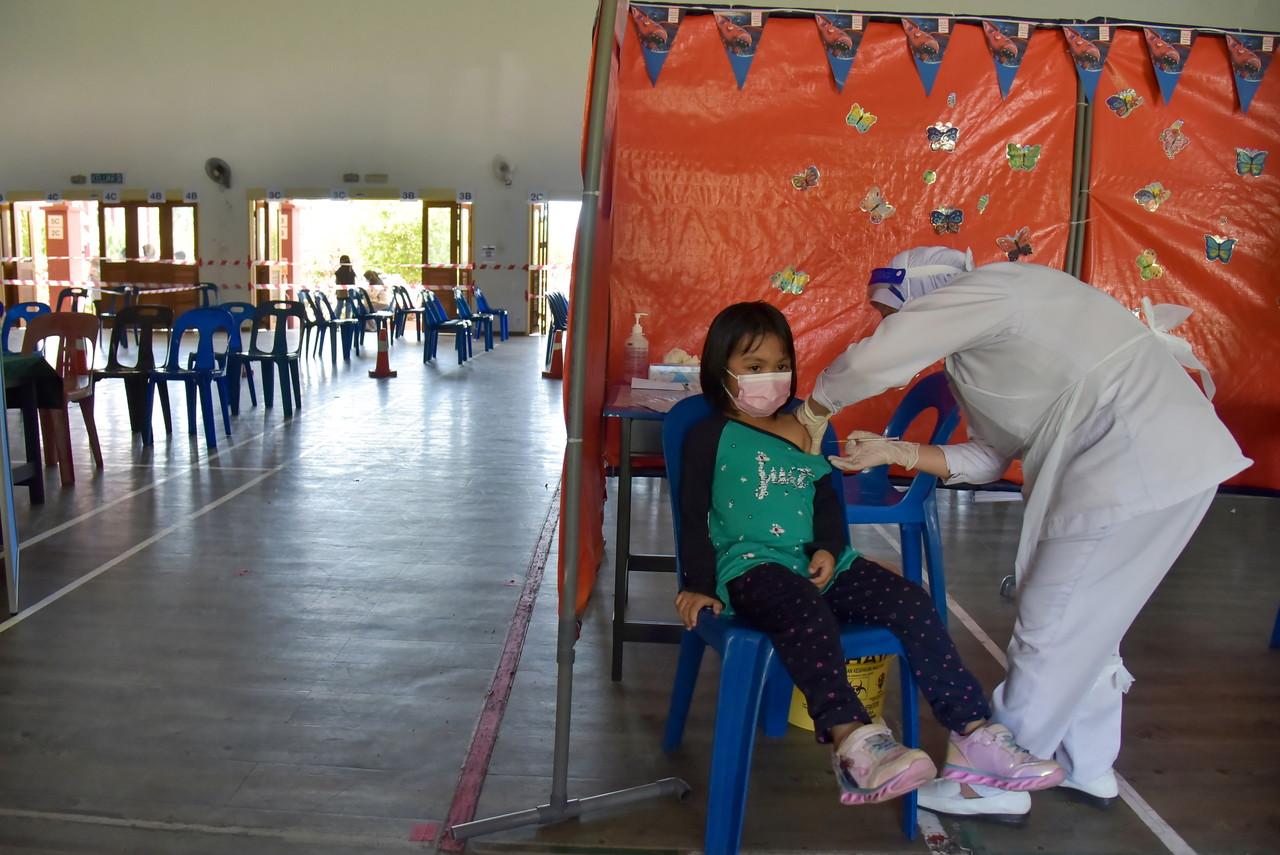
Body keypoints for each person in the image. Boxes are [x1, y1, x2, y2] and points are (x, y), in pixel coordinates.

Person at [796, 247, 1251, 819]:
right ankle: (1088, 765)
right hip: (1157, 462)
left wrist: (814, 408)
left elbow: (877, 359)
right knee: (1090, 622)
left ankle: (988, 784)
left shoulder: (997, 288)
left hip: (1136, 460)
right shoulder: (976, 352)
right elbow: (991, 455)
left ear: (926, 297)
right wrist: (899, 451)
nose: (893, 327)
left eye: (895, 313)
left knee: (1052, 622)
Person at [677, 302, 1064, 807]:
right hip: (754, 569)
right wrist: (698, 584)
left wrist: (830, 549)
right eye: (753, 368)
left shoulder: (803, 429)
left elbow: (824, 500)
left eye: (780, 365)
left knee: (912, 602)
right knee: (802, 609)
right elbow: (690, 513)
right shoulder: (709, 435)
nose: (770, 378)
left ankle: (971, 732)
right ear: (720, 371)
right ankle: (852, 742)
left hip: (820, 567)